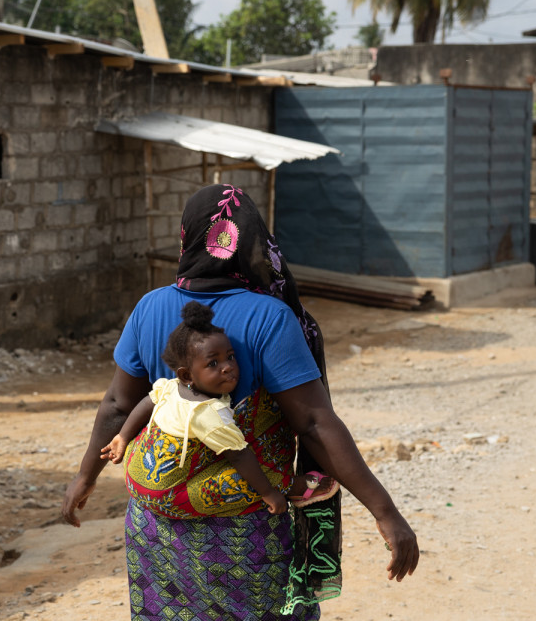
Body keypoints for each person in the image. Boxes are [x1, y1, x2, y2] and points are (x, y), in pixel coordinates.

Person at [61, 183, 418, 620]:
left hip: (155, 527)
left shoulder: (149, 307)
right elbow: (313, 423)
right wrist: (385, 512)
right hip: (243, 530)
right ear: (252, 244)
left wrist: (85, 476)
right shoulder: (270, 317)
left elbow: (119, 405)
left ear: (187, 236)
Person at [99, 301, 338, 516]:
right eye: (213, 363)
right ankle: (293, 486)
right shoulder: (210, 413)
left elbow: (147, 402)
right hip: (166, 496)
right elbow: (239, 455)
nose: (227, 367)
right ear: (187, 375)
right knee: (245, 472)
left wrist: (123, 437)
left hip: (134, 471)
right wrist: (268, 493)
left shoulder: (170, 386)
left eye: (230, 357)